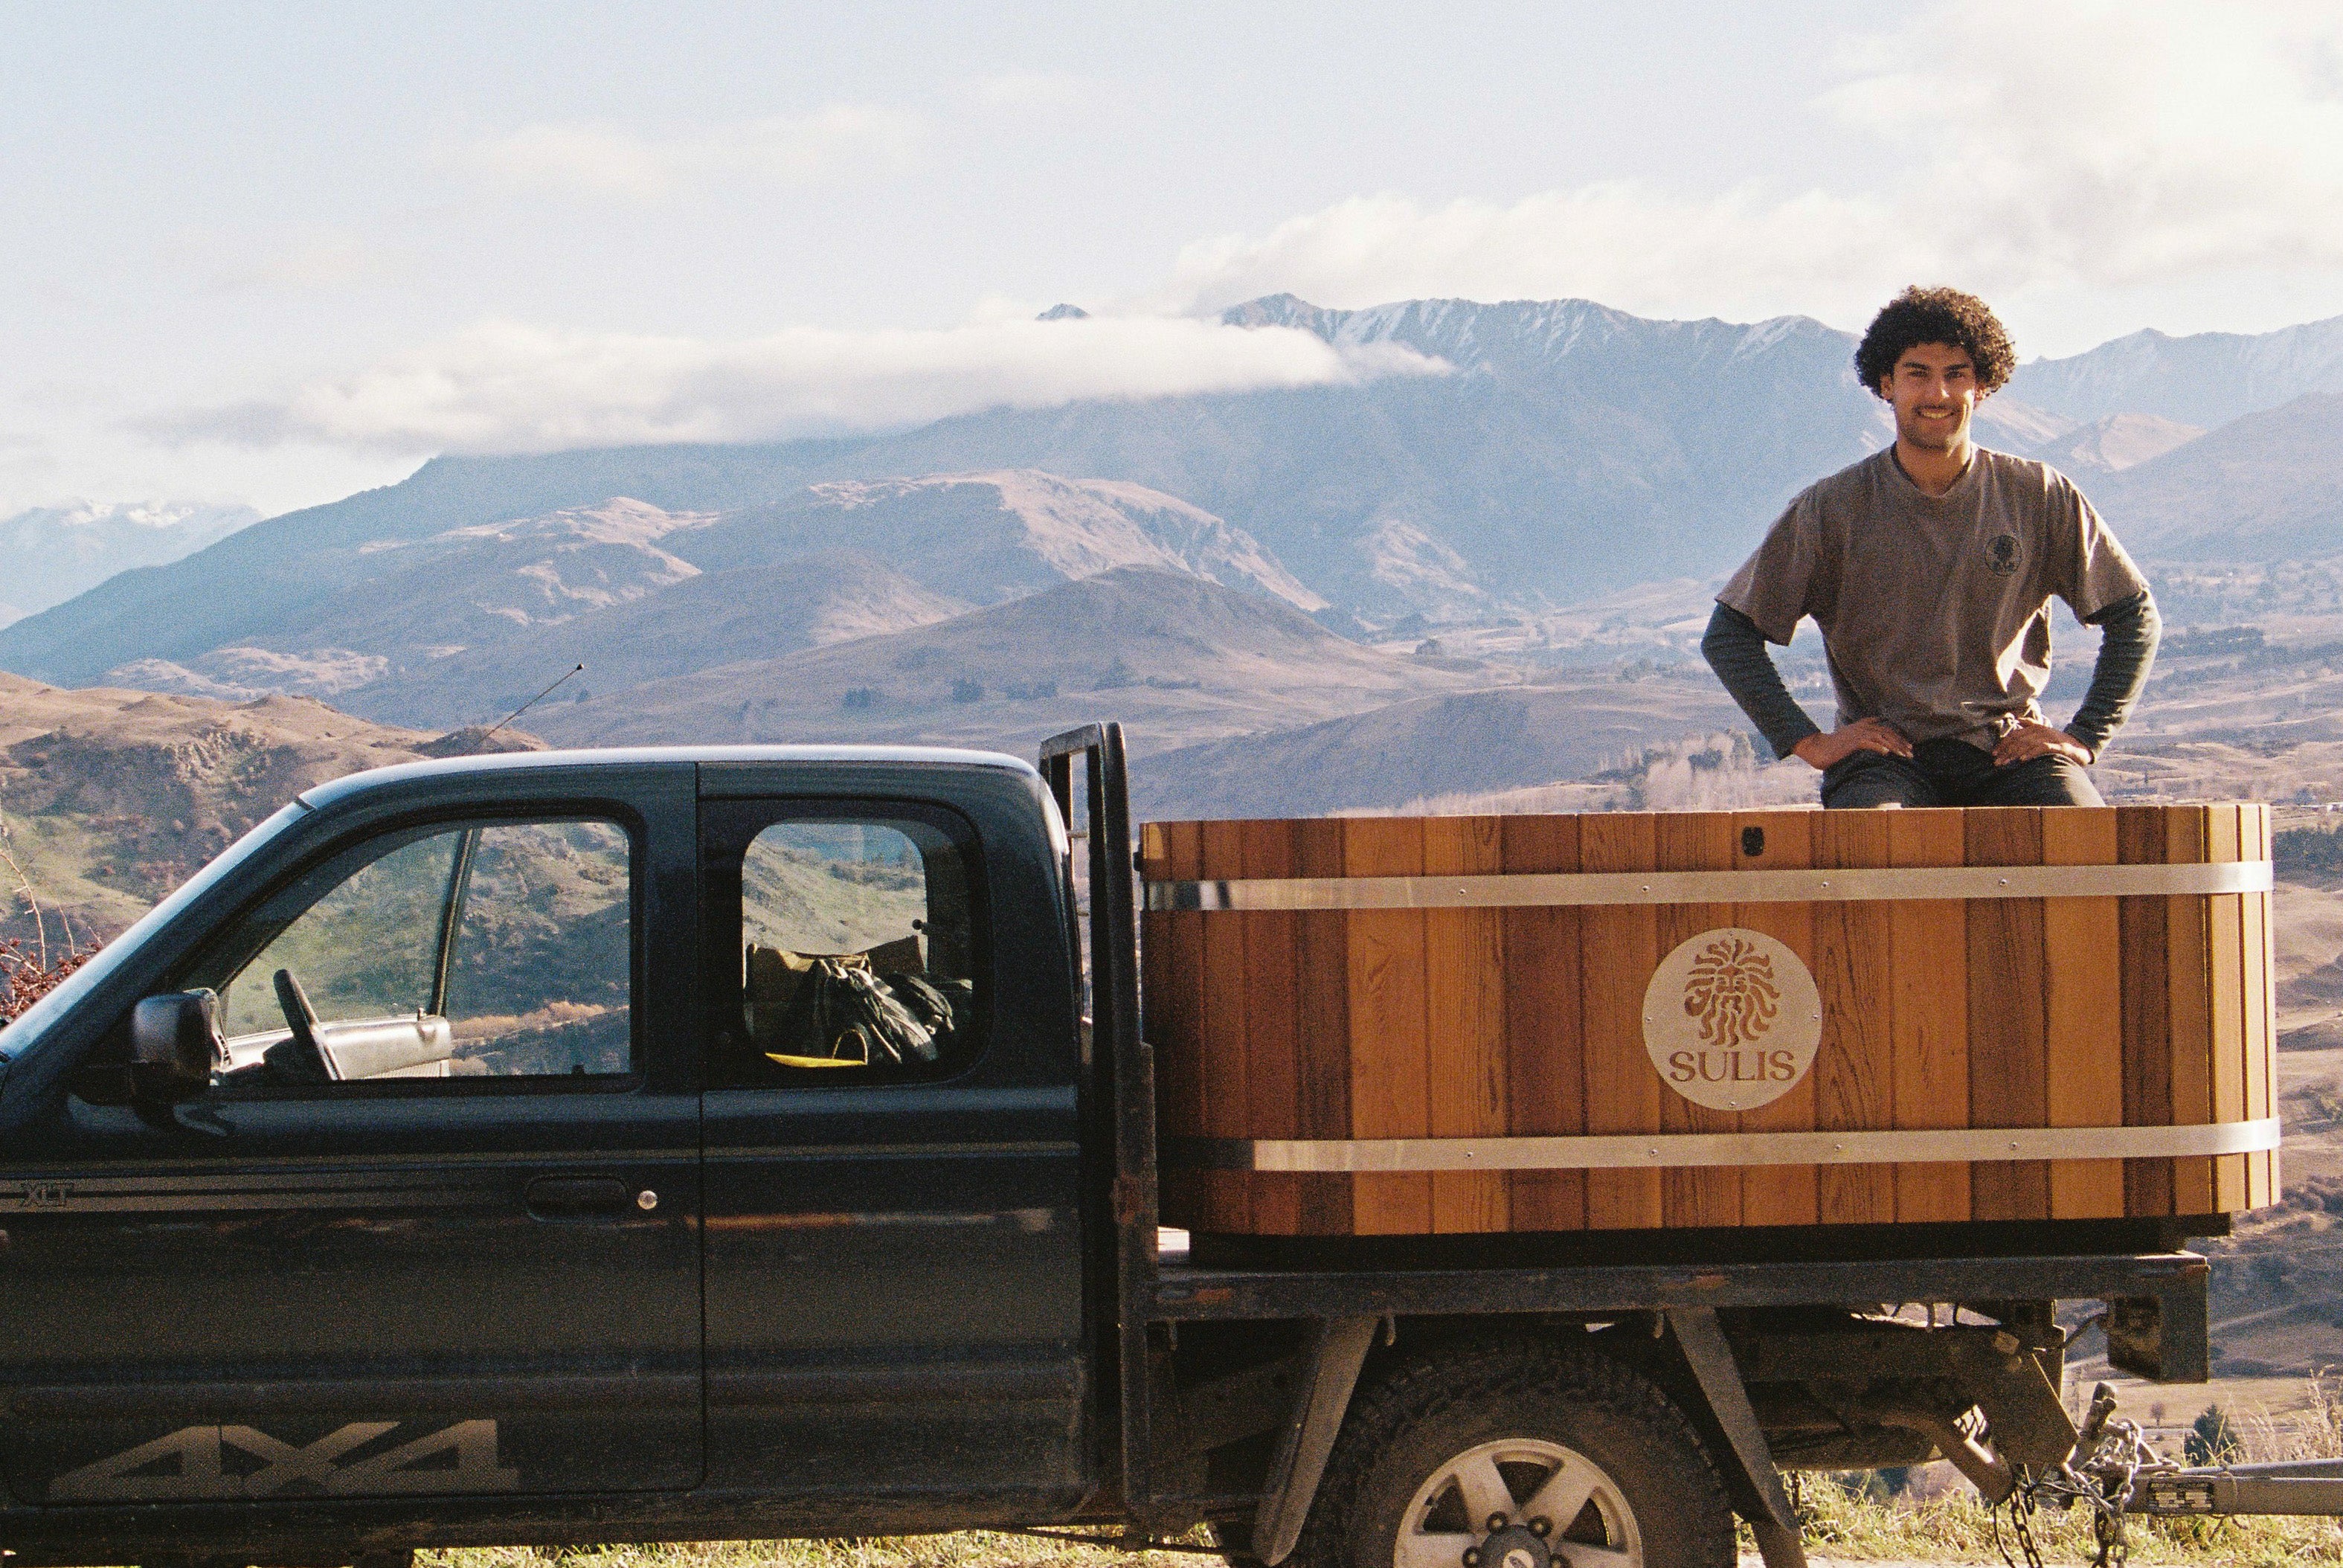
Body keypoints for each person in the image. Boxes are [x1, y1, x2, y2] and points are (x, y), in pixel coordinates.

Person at [1701, 286, 2159, 809]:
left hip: (2007, 751)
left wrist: (2084, 736)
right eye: (1918, 373)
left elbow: (2135, 617)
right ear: (1886, 384)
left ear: (1982, 386)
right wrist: (1811, 742)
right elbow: (1729, 635)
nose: (1937, 394)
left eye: (1956, 374)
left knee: (2082, 839)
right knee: (1872, 847)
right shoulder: (1831, 508)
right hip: (1884, 759)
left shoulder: (2039, 495)